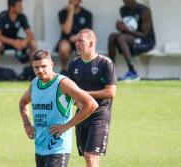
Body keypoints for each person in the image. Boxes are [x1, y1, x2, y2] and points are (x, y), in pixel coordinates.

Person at [19, 50, 98, 167]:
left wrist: (67, 126)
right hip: (40, 147)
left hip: (58, 147)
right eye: (36, 68)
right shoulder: (34, 84)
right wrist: (27, 124)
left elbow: (91, 104)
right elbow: (23, 102)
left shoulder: (63, 84)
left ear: (52, 65)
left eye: (44, 66)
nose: (40, 70)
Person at [68, 29, 117, 167]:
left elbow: (110, 92)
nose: (76, 44)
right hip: (81, 116)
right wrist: (76, 100)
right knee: (88, 156)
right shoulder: (73, 65)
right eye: (76, 41)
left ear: (91, 43)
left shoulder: (105, 63)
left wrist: (83, 94)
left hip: (99, 116)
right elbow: (69, 90)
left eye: (80, 41)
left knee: (91, 155)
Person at [108, 0, 156, 81]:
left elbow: (144, 34)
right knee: (112, 37)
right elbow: (127, 29)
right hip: (132, 38)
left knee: (121, 38)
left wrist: (126, 30)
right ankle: (110, 72)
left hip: (146, 41)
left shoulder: (144, 11)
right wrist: (120, 26)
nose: (125, 2)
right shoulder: (123, 10)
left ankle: (133, 72)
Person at [0, 0, 37, 80]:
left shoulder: (22, 16)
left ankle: (31, 70)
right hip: (4, 41)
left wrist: (24, 42)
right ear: (12, 8)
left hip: (15, 40)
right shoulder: (2, 16)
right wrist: (13, 42)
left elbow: (30, 34)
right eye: (19, 5)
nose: (22, 7)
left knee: (33, 43)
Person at [56, 0, 92, 76]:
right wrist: (71, 12)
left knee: (84, 45)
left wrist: (77, 37)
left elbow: (87, 33)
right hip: (66, 39)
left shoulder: (87, 14)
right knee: (63, 48)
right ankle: (64, 70)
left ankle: (82, 71)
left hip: (81, 40)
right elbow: (66, 30)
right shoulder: (62, 12)